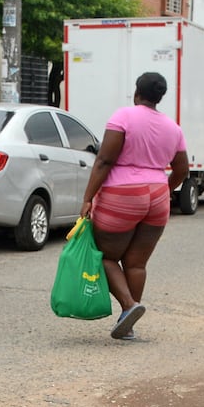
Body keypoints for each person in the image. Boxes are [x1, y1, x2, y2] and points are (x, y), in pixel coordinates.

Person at [80, 72, 190, 340]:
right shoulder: (173, 128)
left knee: (103, 256)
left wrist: (87, 198)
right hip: (157, 196)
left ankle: (129, 306)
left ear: (137, 93)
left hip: (121, 194)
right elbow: (182, 169)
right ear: (160, 97)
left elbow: (104, 160)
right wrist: (164, 190)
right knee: (136, 263)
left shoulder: (123, 117)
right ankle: (128, 323)